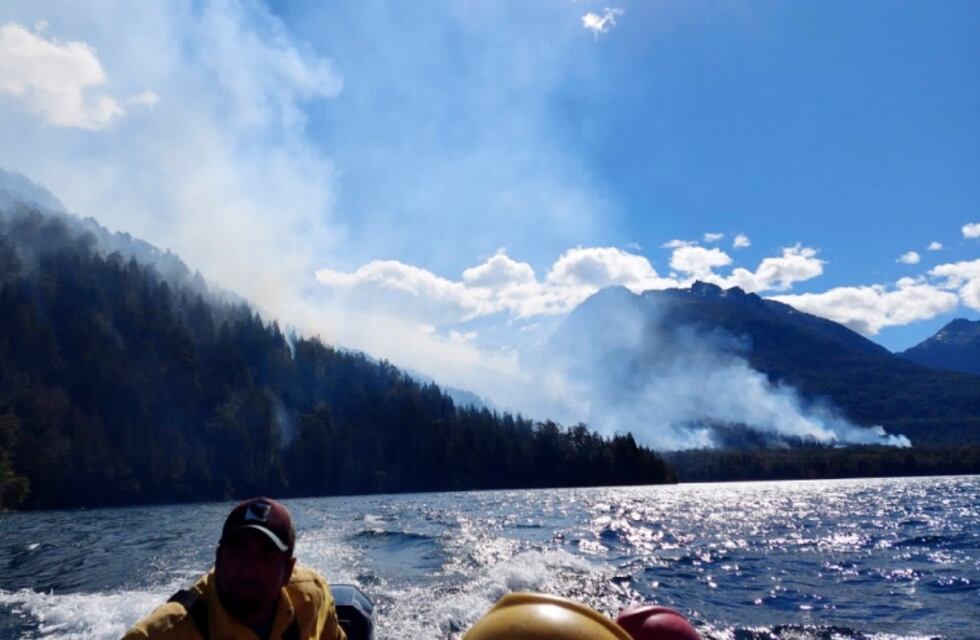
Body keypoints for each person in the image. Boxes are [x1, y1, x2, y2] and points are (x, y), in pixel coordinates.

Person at [124, 497, 347, 640]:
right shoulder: (163, 634)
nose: (249, 570)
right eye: (238, 554)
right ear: (219, 558)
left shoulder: (313, 596)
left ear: (288, 570)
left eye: (265, 557)